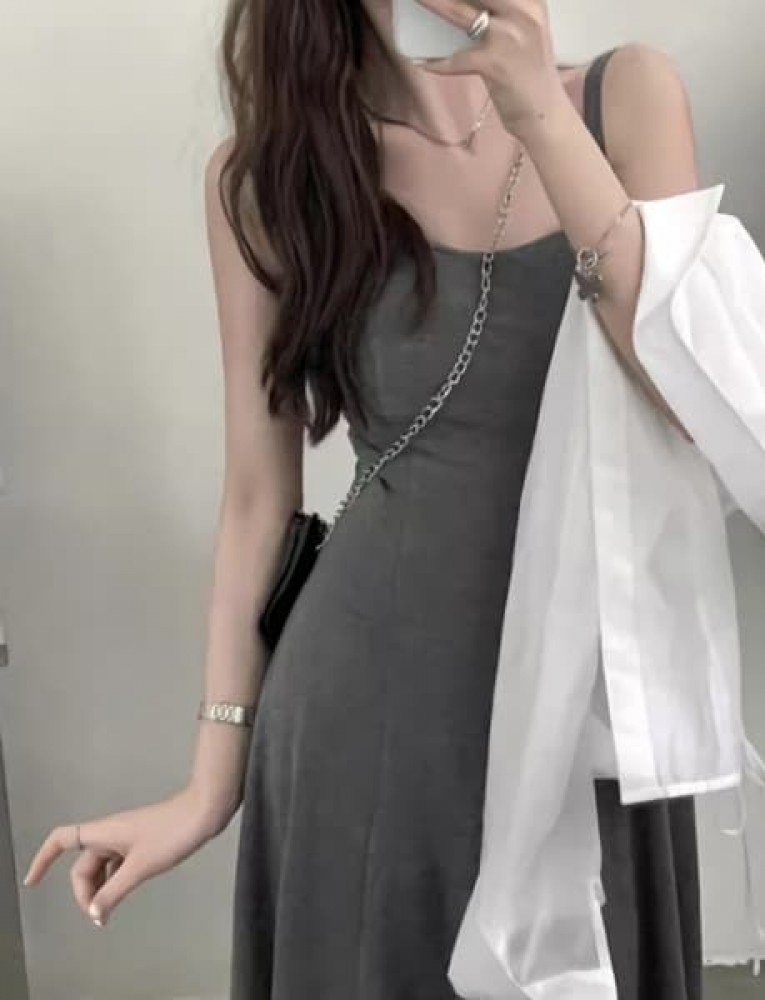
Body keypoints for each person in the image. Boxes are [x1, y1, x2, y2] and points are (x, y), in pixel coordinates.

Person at [25, 2, 704, 997]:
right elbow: (258, 497)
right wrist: (211, 782)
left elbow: (689, 398)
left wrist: (537, 114)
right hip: (374, 717)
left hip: (591, 711)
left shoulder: (624, 100)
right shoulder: (269, 179)